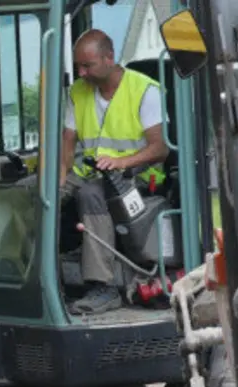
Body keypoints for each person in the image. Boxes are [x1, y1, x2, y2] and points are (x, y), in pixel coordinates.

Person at [59, 29, 168, 315]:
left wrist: (122, 162)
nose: (81, 73)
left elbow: (160, 148)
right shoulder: (78, 93)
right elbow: (67, 141)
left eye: (87, 65)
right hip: (92, 172)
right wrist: (58, 178)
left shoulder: (145, 90)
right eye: (78, 66)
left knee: (90, 195)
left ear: (109, 58)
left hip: (138, 178)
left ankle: (102, 287)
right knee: (38, 191)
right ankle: (44, 278)